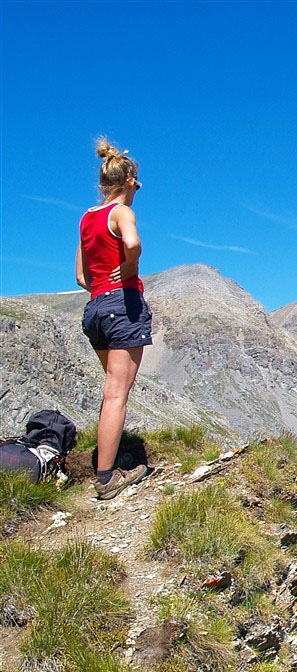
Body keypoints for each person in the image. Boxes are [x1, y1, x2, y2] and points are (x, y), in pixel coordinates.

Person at [75, 137, 151, 499]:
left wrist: (103, 281)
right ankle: (106, 479)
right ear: (126, 182)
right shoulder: (121, 213)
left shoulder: (87, 219)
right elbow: (133, 243)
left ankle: (109, 457)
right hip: (123, 305)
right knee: (117, 393)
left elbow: (80, 276)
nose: (137, 190)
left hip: (95, 308)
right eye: (137, 183)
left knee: (112, 388)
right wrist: (129, 266)